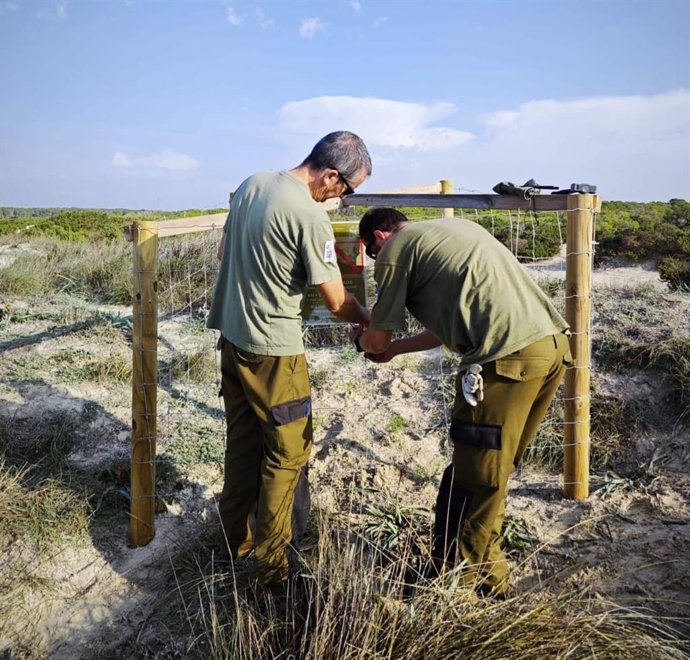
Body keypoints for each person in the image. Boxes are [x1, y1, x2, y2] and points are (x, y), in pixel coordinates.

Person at [351, 207, 571, 596]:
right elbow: (441, 332)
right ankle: (474, 570)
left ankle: (466, 585)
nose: (375, 261)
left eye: (371, 252)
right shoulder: (451, 231)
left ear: (379, 237)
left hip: (506, 360)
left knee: (475, 480)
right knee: (490, 471)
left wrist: (363, 340)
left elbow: (377, 340)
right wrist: (395, 349)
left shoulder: (397, 250)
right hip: (549, 348)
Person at [207, 131, 372, 588]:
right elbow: (337, 302)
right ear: (331, 175)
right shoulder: (309, 215)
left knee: (242, 446)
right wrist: (369, 318)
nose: (343, 196)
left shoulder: (252, 183)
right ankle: (272, 569)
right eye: (347, 188)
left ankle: (231, 542)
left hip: (232, 339)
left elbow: (224, 253)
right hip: (274, 352)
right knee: (287, 453)